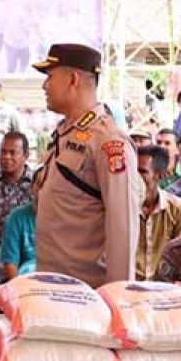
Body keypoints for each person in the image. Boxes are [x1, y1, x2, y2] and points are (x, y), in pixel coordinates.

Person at [32, 44, 142, 286]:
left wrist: (119, 296)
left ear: (73, 79)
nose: (44, 86)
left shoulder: (108, 141)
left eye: (50, 77)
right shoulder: (65, 133)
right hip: (53, 283)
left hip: (88, 294)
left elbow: (122, 226)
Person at [135, 145, 181, 281]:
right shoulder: (121, 208)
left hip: (164, 287)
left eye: (142, 172)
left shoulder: (179, 209)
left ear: (160, 176)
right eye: (132, 171)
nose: (135, 177)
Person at [0, 175, 39, 279]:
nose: (43, 189)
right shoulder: (17, 217)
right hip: (25, 281)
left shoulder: (64, 219)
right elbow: (10, 263)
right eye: (39, 184)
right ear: (32, 188)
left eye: (47, 185)